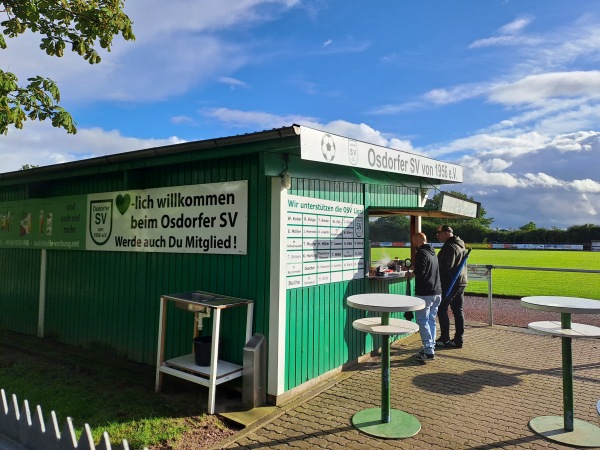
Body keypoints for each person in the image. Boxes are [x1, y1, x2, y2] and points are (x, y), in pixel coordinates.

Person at [410, 232, 442, 362]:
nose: (414, 245)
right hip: (437, 292)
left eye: (414, 243)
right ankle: (431, 347)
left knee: (422, 321)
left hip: (425, 293)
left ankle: (428, 351)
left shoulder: (421, 253)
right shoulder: (433, 252)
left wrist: (410, 274)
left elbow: (420, 271)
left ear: (418, 241)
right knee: (431, 320)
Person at [435, 225, 468, 349]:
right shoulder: (460, 244)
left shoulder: (450, 246)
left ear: (446, 233)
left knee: (442, 309)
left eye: (438, 233)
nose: (437, 236)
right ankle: (458, 340)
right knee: (458, 310)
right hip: (460, 281)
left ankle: (444, 338)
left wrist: (435, 266)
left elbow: (446, 266)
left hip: (450, 282)